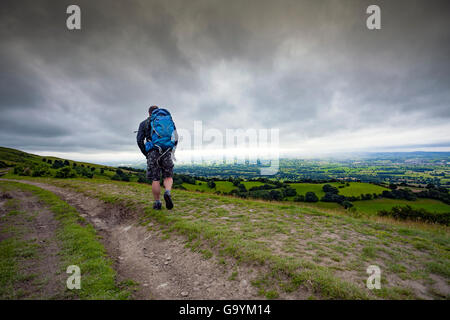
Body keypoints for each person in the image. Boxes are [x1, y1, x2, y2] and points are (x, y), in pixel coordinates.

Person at [137, 105, 178, 210]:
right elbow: (175, 137)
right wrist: (172, 150)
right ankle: (167, 192)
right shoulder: (168, 121)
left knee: (155, 178)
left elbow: (139, 141)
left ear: (149, 113)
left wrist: (146, 153)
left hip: (153, 152)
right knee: (168, 176)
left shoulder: (144, 123)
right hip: (167, 150)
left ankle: (157, 203)